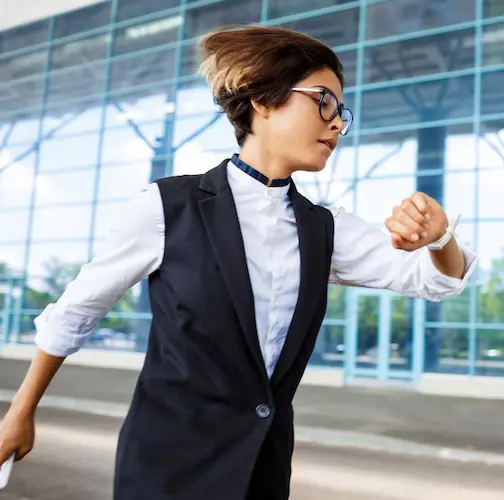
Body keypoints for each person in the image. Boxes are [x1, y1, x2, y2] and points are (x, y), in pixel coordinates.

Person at [0, 25, 477, 499]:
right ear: (264, 102)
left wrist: (441, 237)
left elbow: (438, 281)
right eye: (324, 101)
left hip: (262, 471)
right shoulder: (167, 207)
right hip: (168, 467)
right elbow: (76, 313)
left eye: (341, 111)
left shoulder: (325, 228)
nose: (337, 123)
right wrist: (20, 412)